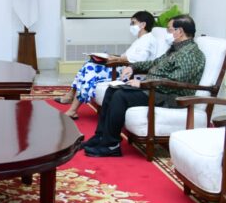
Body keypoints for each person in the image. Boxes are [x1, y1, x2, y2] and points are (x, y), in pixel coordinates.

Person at [84, 14, 205, 158]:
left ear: (180, 31)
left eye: (169, 30)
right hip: (155, 89)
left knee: (120, 96)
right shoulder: (176, 49)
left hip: (169, 96)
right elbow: (154, 63)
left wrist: (142, 84)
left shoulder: (191, 54)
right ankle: (101, 137)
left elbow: (176, 81)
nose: (168, 34)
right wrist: (134, 67)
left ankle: (111, 145)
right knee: (112, 89)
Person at [55, 11, 158, 119]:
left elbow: (139, 60)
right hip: (123, 68)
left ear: (143, 25)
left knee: (90, 69)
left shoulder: (148, 40)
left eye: (133, 23)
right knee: (90, 64)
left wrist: (117, 58)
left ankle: (72, 107)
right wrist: (112, 57)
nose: (131, 26)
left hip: (132, 73)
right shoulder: (141, 39)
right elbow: (128, 56)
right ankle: (71, 97)